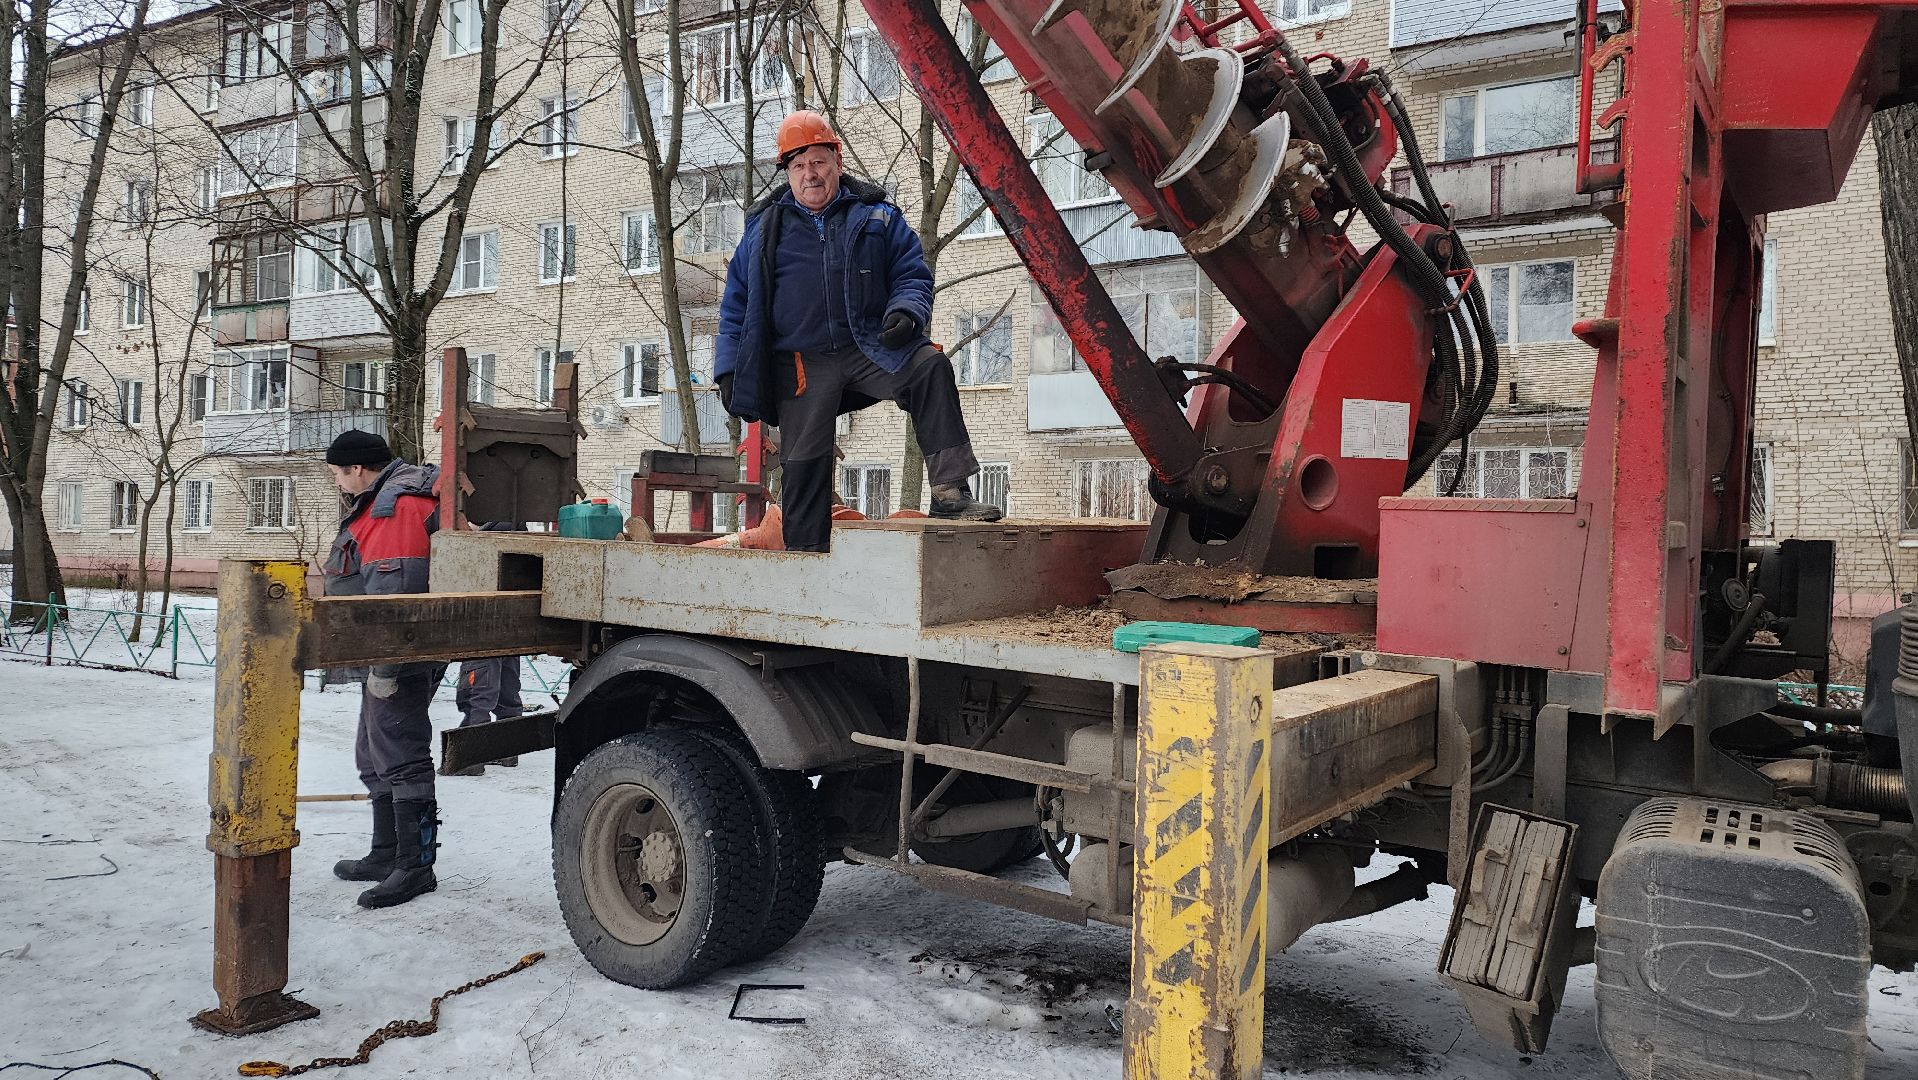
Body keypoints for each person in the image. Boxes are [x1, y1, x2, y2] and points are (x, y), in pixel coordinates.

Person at [715, 110, 1003, 552]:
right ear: (788, 173)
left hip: (869, 346)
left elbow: (911, 272)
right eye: (798, 166)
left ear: (837, 162)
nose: (809, 174)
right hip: (801, 363)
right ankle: (804, 561)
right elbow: (736, 303)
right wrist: (728, 368)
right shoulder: (763, 229)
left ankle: (950, 493)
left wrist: (906, 311)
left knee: (930, 368)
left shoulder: (877, 215)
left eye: (817, 162)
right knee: (804, 467)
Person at [321, 429, 445, 909]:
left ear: (356, 468)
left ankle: (416, 867)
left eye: (336, 472)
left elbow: (401, 599)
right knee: (372, 752)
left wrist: (389, 667)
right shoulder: (381, 503)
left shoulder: (397, 508)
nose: (336, 482)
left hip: (401, 652)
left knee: (400, 750)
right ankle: (386, 851)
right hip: (384, 652)